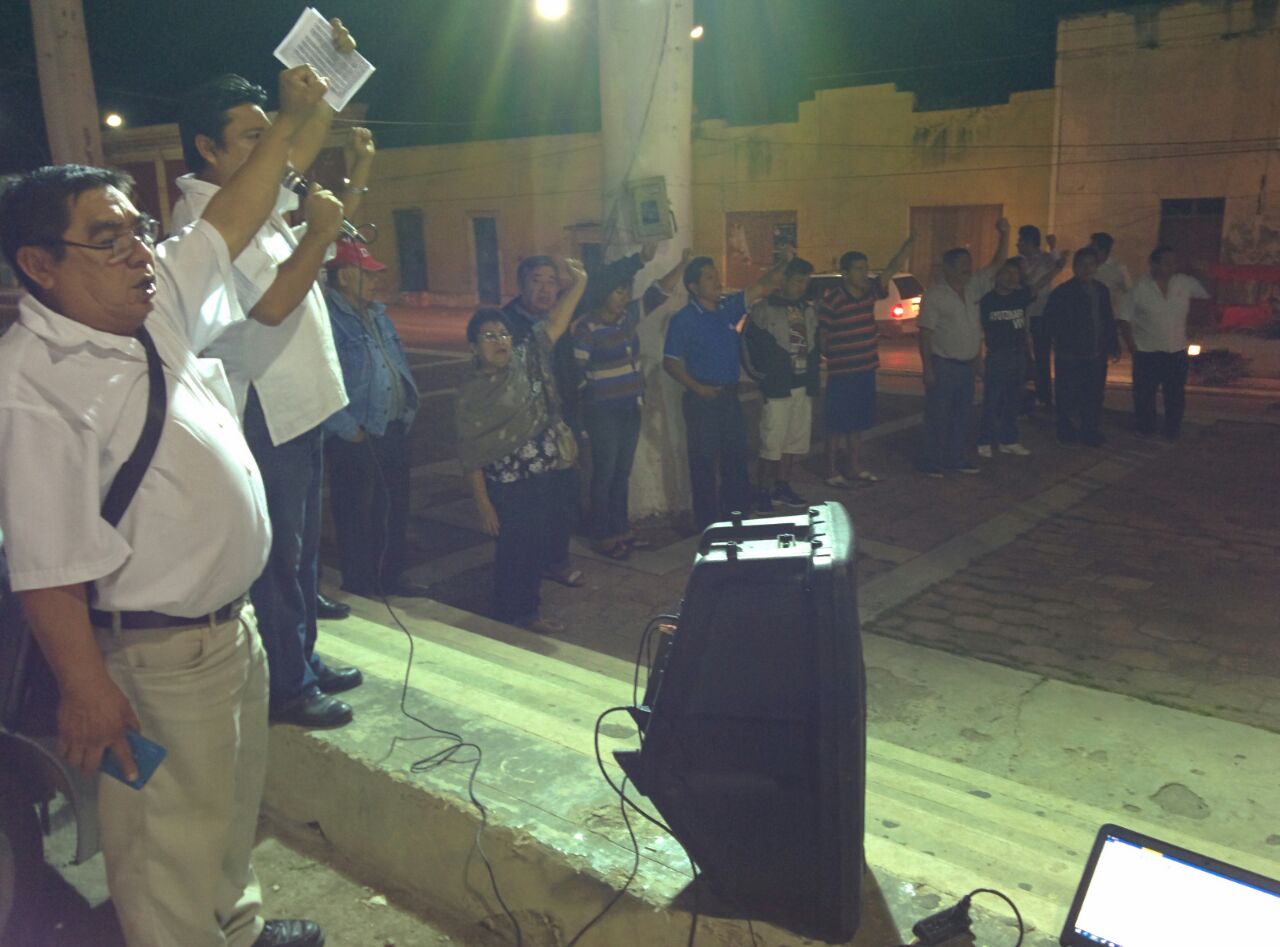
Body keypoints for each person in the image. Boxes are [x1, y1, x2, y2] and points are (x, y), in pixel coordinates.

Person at [0, 65, 331, 947]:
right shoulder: (34, 386)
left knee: (226, 812)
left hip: (229, 630)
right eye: (106, 238)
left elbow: (229, 221)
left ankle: (236, 926)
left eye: (139, 230)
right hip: (155, 659)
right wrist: (87, 689)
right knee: (162, 853)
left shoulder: (149, 310)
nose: (138, 251)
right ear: (38, 264)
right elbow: (46, 566)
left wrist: (293, 119)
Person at [172, 21, 367, 729]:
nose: (273, 150)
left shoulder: (249, 193)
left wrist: (329, 78)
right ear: (208, 147)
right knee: (279, 554)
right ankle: (287, 684)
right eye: (254, 137)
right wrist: (320, 232)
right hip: (264, 408)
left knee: (303, 548)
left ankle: (303, 656)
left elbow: (301, 144)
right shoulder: (208, 217)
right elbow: (275, 304)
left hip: (298, 403)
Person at [455, 261, 588, 634]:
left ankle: (524, 610)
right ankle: (515, 612)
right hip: (507, 486)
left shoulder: (525, 361)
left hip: (540, 477)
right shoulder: (472, 393)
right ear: (473, 347)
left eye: (503, 335)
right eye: (488, 337)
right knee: (515, 551)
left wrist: (580, 283)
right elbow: (470, 450)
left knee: (532, 548)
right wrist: (483, 503)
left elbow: (556, 324)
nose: (499, 342)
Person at [322, 239, 428, 596]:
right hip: (357, 433)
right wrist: (346, 427)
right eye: (366, 274)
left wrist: (408, 407)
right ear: (343, 277)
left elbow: (394, 360)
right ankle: (360, 583)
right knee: (356, 515)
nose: (375, 280)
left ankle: (390, 577)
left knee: (394, 509)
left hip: (392, 428)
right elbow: (320, 378)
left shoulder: (378, 313)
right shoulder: (328, 319)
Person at [572, 244, 687, 558]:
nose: (623, 296)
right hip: (604, 413)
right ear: (604, 294)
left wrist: (683, 264)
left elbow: (657, 294)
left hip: (629, 408)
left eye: (625, 291)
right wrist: (592, 401)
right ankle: (602, 534)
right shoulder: (587, 329)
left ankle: (621, 528)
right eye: (618, 291)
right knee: (605, 474)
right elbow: (576, 372)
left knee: (622, 473)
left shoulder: (626, 320)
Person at [663, 250, 792, 530]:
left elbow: (762, 287)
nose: (717, 281)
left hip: (729, 397)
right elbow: (670, 362)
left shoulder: (727, 309)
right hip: (702, 400)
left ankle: (737, 513)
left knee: (736, 457)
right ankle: (708, 522)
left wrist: (783, 262)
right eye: (709, 278)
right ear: (693, 287)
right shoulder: (684, 318)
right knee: (704, 462)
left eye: (716, 275)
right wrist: (698, 388)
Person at [502, 255, 585, 589]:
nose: (545, 289)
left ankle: (556, 560)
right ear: (521, 285)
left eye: (552, 281)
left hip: (559, 421)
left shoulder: (558, 319)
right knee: (530, 502)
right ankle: (525, 571)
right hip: (524, 429)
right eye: (537, 280)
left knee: (562, 495)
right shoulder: (506, 324)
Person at [816, 235, 913, 486]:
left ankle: (854, 466)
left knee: (857, 422)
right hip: (842, 372)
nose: (864, 273)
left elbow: (891, 268)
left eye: (865, 268)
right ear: (845, 273)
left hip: (865, 369)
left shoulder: (870, 293)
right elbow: (823, 335)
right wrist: (833, 355)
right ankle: (830, 470)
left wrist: (909, 243)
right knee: (836, 423)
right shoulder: (833, 300)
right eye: (858, 269)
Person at [917, 218, 1011, 477]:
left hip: (967, 365)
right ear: (948, 268)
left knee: (961, 415)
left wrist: (1005, 234)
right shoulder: (935, 295)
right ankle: (932, 460)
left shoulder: (973, 289)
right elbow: (925, 334)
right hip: (944, 364)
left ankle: (955, 458)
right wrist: (927, 369)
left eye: (969, 264)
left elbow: (997, 264)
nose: (967, 269)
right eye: (961, 264)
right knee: (938, 415)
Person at [743, 256, 821, 510]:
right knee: (771, 443)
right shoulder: (764, 310)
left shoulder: (807, 309)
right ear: (784, 280)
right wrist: (764, 378)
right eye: (797, 281)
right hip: (777, 388)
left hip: (802, 384)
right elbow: (748, 349)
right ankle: (762, 490)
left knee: (793, 442)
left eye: (805, 282)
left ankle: (782, 486)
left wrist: (813, 378)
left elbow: (813, 344)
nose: (802, 287)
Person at [1118, 245, 1210, 439]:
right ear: (1153, 264)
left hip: (1176, 349)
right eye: (1166, 262)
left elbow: (1205, 293)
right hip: (1147, 351)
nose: (1171, 266)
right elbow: (1123, 318)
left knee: (1175, 394)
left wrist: (1200, 272)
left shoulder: (1184, 282)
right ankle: (1145, 428)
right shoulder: (1139, 288)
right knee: (1145, 394)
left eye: (1174, 262)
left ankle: (1172, 429)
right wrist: (1132, 347)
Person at [976, 257, 1060, 458]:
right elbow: (977, 331)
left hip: (1018, 354)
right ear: (997, 276)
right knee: (992, 400)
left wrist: (1056, 269)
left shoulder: (1019, 297)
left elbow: (1039, 284)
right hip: (997, 355)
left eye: (1015, 274)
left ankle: (1008, 439)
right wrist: (978, 358)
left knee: (1013, 399)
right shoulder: (987, 301)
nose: (1012, 277)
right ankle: (985, 440)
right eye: (1007, 273)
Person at [1043, 247, 1120, 446]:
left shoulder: (1101, 290)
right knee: (1067, 394)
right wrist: (1061, 342)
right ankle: (1066, 430)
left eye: (1091, 265)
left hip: (1096, 353)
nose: (1087, 269)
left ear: (1096, 267)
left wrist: (1112, 344)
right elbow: (1050, 322)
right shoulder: (1062, 293)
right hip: (1070, 354)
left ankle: (1090, 430)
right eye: (1083, 265)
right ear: (1075, 267)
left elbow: (1107, 318)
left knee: (1093, 395)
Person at [1017, 225, 1064, 414]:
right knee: (1023, 355)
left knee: (1042, 356)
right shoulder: (1019, 261)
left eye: (1020, 240)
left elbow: (1059, 264)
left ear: (1029, 242)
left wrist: (1053, 247)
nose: (1017, 244)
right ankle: (1024, 395)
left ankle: (1044, 396)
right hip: (1023, 313)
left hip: (1041, 313)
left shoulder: (1045, 258)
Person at [1091, 232, 1132, 317]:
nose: (1090, 250)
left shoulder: (1119, 269)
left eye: (1093, 247)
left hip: (1109, 317)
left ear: (1103, 250)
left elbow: (1130, 294)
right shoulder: (1088, 267)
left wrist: (1123, 315)